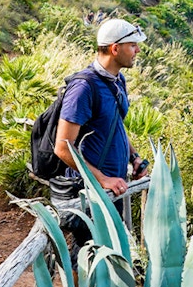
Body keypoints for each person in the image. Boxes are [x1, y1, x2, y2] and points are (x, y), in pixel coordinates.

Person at [49, 18, 150, 245]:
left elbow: (114, 125)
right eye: (133, 45)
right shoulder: (84, 88)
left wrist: (134, 157)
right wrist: (103, 179)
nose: (138, 50)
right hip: (89, 192)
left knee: (108, 254)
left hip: (112, 187)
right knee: (85, 257)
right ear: (115, 49)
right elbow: (63, 147)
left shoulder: (117, 80)